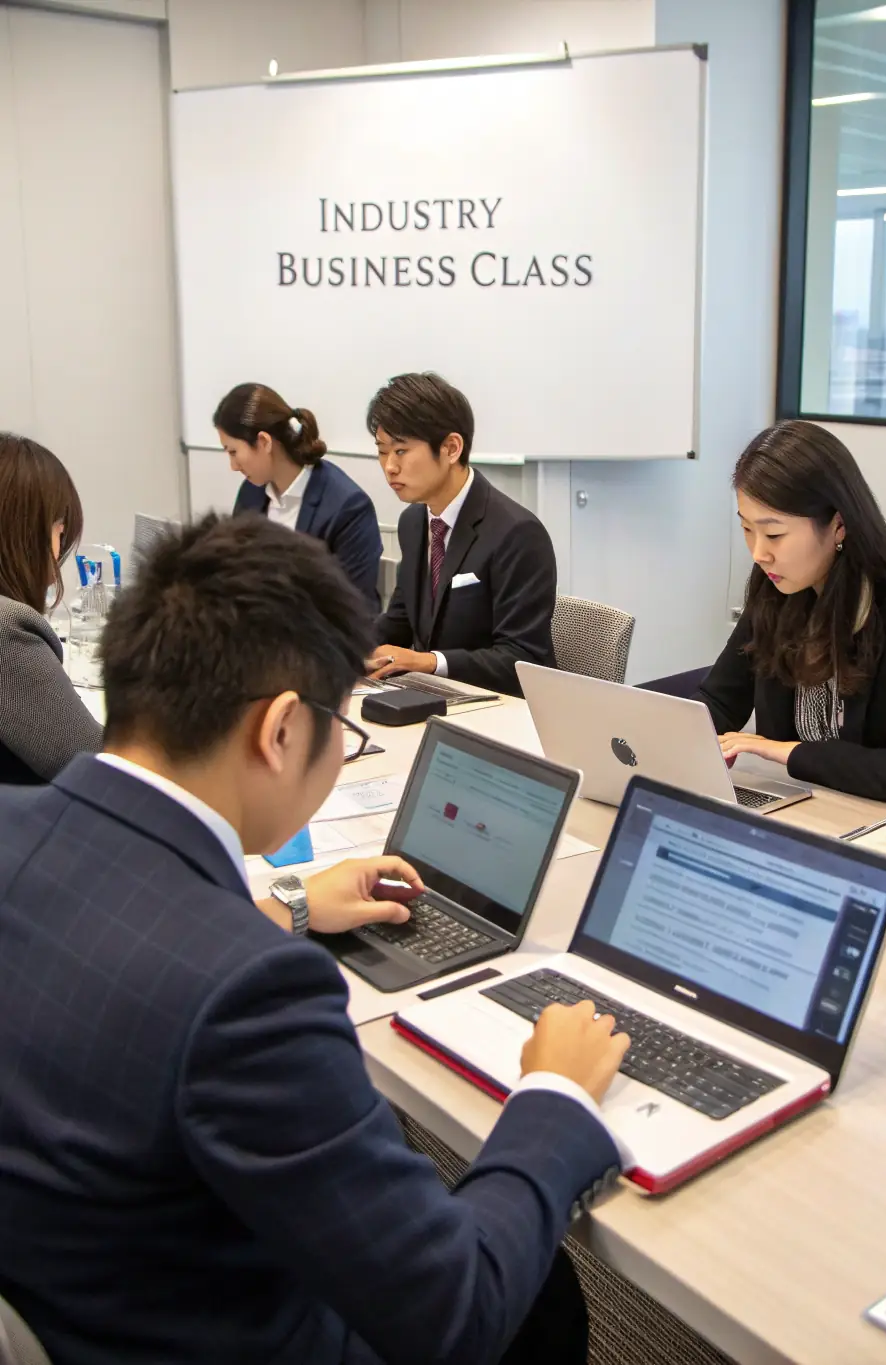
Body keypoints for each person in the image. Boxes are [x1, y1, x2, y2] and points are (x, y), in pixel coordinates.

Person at [0, 512, 627, 1365]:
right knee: (540, 1296)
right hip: (220, 1331)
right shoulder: (250, 993)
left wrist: (289, 902)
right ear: (283, 728)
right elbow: (455, 1312)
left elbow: (125, 937)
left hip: (70, 1289)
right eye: (343, 723)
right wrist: (552, 1096)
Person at [693, 420, 886, 813]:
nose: (759, 553)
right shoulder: (777, 588)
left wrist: (788, 753)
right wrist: (663, 739)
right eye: (747, 529)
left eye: (774, 534)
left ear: (839, 525)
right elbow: (719, 701)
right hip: (820, 815)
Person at [367, 373, 557, 697]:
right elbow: (399, 621)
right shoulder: (414, 522)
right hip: (434, 699)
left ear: (451, 448)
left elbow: (524, 659)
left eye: (401, 451)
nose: (389, 467)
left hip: (499, 712)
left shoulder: (518, 533)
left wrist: (429, 662)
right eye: (382, 451)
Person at [217, 382, 383, 609]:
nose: (233, 466)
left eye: (233, 452)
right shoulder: (251, 493)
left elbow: (357, 613)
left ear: (264, 442)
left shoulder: (348, 508)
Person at [0, 433, 103, 783]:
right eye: (59, 533)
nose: (58, 555)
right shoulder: (6, 631)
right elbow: (96, 767)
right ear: (25, 533)